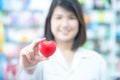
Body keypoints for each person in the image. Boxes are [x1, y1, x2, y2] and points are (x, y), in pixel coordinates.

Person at [18, 0, 108, 80]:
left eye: (71, 18)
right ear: (49, 21)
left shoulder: (97, 61)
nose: (65, 24)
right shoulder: (37, 60)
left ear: (80, 22)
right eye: (59, 17)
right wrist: (28, 68)